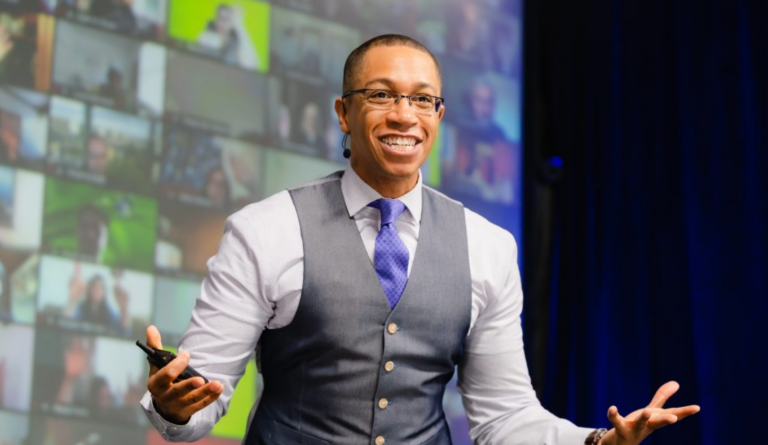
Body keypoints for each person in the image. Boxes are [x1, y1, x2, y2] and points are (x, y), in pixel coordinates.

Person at [141, 35, 699, 444]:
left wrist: (599, 441)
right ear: (343, 112)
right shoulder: (265, 229)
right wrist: (175, 405)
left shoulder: (488, 247)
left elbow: (504, 418)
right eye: (381, 95)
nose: (404, 115)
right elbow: (200, 399)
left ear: (439, 114)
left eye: (422, 99)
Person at [197, 4, 260, 70]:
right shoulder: (207, 36)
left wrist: (240, 26)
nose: (222, 23)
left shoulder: (236, 40)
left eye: (226, 19)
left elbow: (252, 65)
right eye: (220, 18)